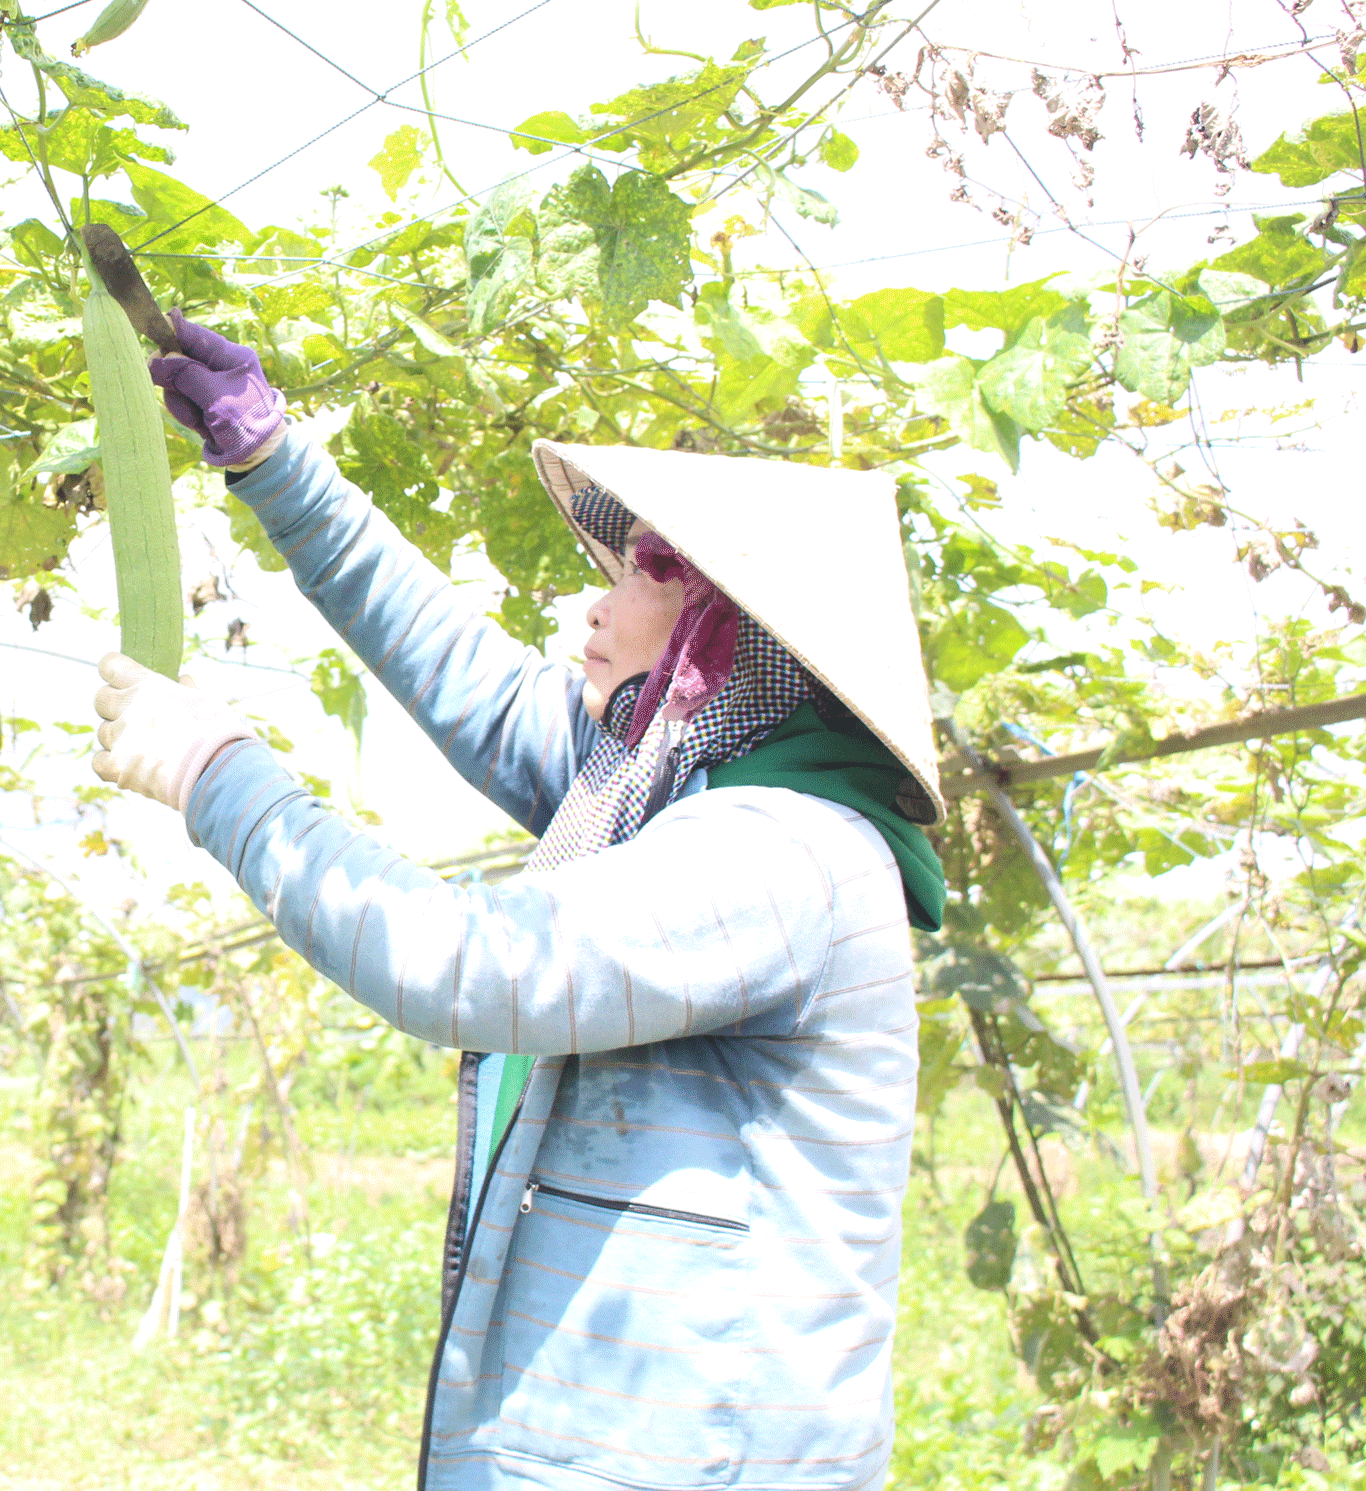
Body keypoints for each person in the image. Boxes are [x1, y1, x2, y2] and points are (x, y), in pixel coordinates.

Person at [87, 315, 949, 1491]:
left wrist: (217, 772)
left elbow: (472, 965)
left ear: (730, 638)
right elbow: (465, 676)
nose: (595, 609)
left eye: (647, 572)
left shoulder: (780, 850)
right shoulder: (661, 787)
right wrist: (274, 465)